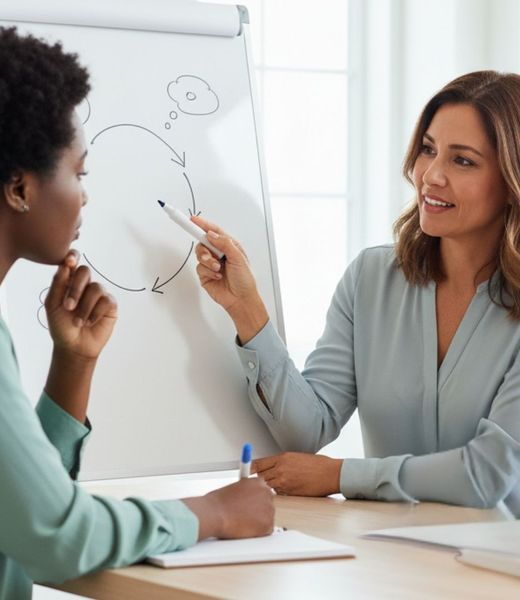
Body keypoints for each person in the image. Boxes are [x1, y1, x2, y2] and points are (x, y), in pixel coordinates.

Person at [0, 28, 274, 599]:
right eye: (78, 172)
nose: (85, 195)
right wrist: (214, 512)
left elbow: (22, 503)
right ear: (18, 187)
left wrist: (74, 363)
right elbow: (52, 536)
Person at [193, 70, 520, 515]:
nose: (431, 176)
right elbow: (309, 430)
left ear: (511, 179)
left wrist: (340, 475)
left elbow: (488, 474)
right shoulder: (372, 278)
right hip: (389, 557)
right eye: (428, 149)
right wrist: (246, 309)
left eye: (462, 160)